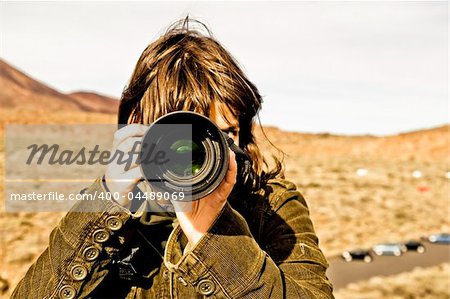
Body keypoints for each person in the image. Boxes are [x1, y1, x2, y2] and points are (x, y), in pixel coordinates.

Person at [12, 17, 334, 298]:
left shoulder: (271, 207)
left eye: (224, 135)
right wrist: (108, 201)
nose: (199, 155)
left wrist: (214, 233)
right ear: (139, 130)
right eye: (182, 139)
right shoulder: (117, 212)